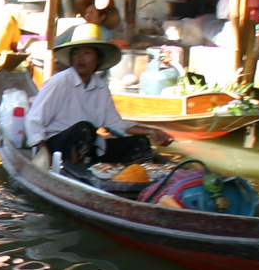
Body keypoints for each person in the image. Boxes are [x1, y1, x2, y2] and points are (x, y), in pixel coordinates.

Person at [24, 22, 173, 165]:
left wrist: (152, 132)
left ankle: (125, 181)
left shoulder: (100, 86)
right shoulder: (59, 82)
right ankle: (73, 173)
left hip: (89, 146)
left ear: (98, 59)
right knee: (84, 128)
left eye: (87, 53)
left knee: (140, 142)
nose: (80, 58)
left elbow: (116, 123)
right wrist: (43, 152)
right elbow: (34, 120)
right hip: (57, 147)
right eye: (76, 53)